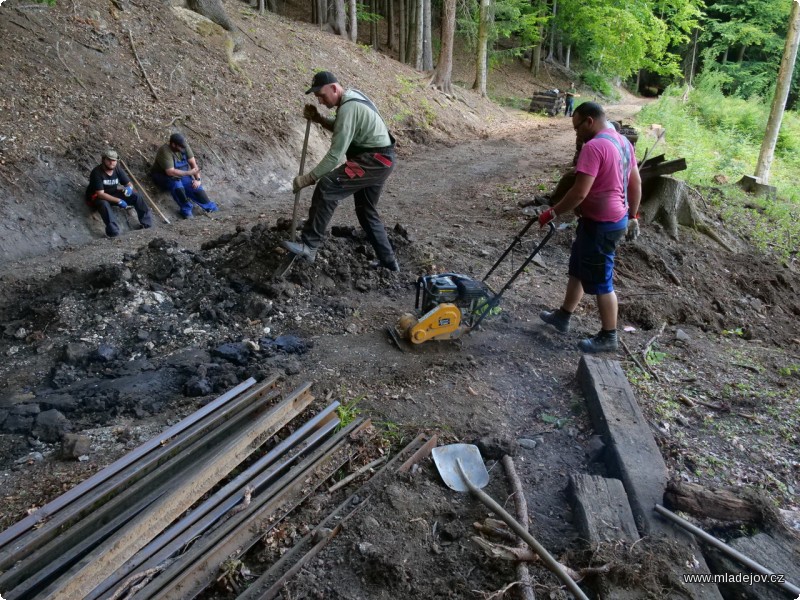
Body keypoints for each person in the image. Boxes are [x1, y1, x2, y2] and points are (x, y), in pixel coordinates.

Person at [538, 102, 642, 353]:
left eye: (577, 128)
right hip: (602, 221)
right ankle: (563, 315)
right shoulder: (623, 143)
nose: (576, 133)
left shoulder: (594, 147)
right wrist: (633, 215)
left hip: (604, 225)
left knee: (602, 280)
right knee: (579, 269)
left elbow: (579, 192)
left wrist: (552, 212)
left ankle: (609, 335)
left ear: (589, 121)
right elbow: (636, 182)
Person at [282, 71, 399, 271]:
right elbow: (344, 127)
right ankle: (389, 263)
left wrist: (308, 178)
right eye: (316, 97)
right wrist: (319, 119)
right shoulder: (352, 99)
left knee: (328, 186)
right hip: (381, 159)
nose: (319, 100)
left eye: (321, 95)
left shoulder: (348, 107)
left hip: (373, 160)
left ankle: (309, 245)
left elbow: (335, 155)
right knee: (366, 211)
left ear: (334, 88)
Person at [85, 148, 152, 237]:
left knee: (136, 196)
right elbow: (100, 194)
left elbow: (129, 184)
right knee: (104, 204)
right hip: (96, 197)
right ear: (103, 159)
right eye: (109, 160)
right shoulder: (96, 172)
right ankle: (113, 232)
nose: (112, 163)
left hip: (112, 193)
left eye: (114, 160)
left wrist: (129, 189)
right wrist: (118, 201)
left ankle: (147, 224)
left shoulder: (117, 169)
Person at [150, 133, 218, 219]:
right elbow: (170, 172)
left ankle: (211, 207)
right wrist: (188, 173)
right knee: (178, 186)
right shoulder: (165, 151)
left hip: (182, 174)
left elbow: (193, 164)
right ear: (173, 144)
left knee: (196, 188)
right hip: (163, 176)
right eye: (180, 147)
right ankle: (186, 209)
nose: (183, 148)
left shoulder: (184, 146)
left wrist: (198, 179)